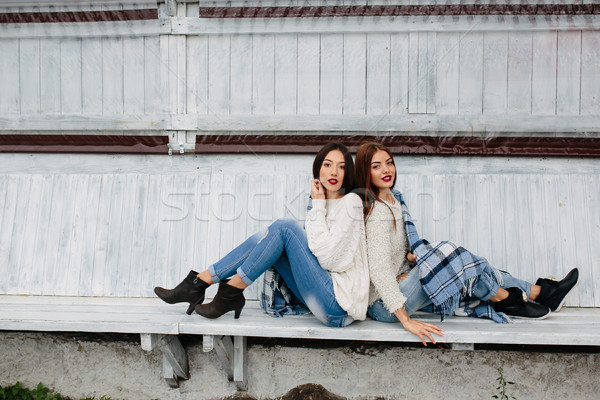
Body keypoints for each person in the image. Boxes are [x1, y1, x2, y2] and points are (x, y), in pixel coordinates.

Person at [353, 141, 580, 345]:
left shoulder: (394, 199)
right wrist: (406, 321)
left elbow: (395, 250)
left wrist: (409, 259)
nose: (386, 170)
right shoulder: (377, 212)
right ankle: (510, 299)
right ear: (365, 171)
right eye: (376, 166)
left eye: (389, 163)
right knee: (453, 258)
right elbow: (380, 271)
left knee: (466, 264)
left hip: (401, 284)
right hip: (386, 306)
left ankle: (538, 292)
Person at [154, 143, 370, 327]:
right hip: (317, 298)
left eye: (341, 167)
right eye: (327, 165)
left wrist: (319, 204)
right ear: (318, 169)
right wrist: (318, 204)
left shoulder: (351, 202)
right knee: (266, 238)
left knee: (285, 227)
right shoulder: (317, 204)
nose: (333, 172)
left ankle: (226, 291)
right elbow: (314, 250)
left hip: (337, 307)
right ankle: (200, 282)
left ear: (347, 173)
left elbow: (328, 260)